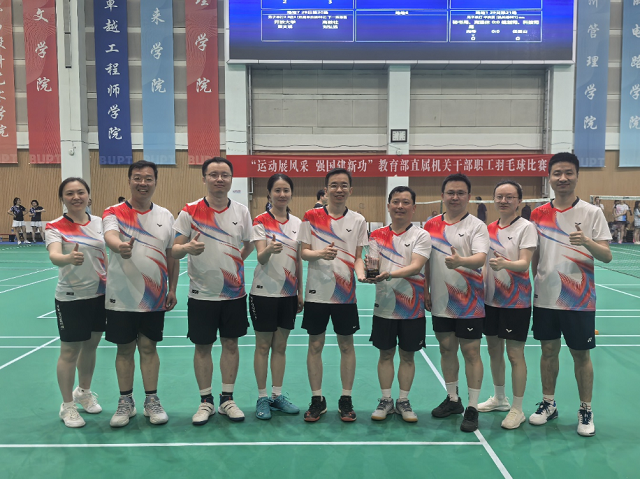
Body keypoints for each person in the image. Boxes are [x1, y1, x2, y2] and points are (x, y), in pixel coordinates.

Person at [528, 152, 612, 437]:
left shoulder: (592, 213)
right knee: (548, 351)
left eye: (568, 173)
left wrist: (586, 241)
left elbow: (607, 256)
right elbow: (536, 257)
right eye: (557, 173)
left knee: (580, 355)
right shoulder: (538, 214)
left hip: (579, 298)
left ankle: (585, 409)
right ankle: (548, 403)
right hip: (545, 297)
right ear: (549, 177)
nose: (562, 178)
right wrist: (537, 283)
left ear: (577, 176)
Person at [172, 157, 253, 425]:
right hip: (201, 294)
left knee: (231, 344)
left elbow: (249, 244)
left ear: (231, 179)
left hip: (233, 294)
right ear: (204, 178)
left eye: (224, 175)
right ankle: (205, 401)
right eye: (214, 174)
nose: (219, 179)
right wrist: (187, 248)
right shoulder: (190, 211)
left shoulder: (241, 211)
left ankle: (227, 399)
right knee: (202, 346)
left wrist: (235, 262)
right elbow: (174, 250)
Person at [103, 160, 179, 428]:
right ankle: (126, 401)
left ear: (155, 182)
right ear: (129, 181)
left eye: (148, 178)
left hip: (154, 296)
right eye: (137, 178)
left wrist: (172, 288)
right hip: (121, 295)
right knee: (124, 349)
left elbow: (171, 256)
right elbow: (110, 236)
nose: (143, 183)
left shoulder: (166, 216)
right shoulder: (113, 212)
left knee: (149, 347)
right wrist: (120, 246)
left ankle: (151, 400)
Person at [299, 168, 368, 422]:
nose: (339, 190)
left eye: (344, 185)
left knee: (346, 345)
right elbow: (304, 252)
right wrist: (320, 254)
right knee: (315, 345)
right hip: (317, 293)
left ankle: (345, 398)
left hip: (345, 295)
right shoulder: (311, 216)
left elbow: (358, 257)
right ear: (326, 190)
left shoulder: (358, 220)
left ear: (351, 190)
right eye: (334, 185)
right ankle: (317, 399)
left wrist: (361, 274)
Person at [424, 173, 490, 433]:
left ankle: (472, 406)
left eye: (460, 193)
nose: (455, 197)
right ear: (442, 196)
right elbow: (426, 260)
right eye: (450, 192)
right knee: (446, 349)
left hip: (470, 301)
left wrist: (461, 261)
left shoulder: (477, 226)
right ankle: (453, 399)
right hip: (441, 299)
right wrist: (426, 289)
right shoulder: (430, 225)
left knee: (471, 353)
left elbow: (481, 258)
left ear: (468, 197)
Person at [46, 178, 107, 428]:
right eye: (69, 193)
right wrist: (68, 258)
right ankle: (67, 405)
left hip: (99, 294)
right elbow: (54, 256)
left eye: (80, 192)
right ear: (62, 198)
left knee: (91, 346)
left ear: (88, 196)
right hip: (71, 297)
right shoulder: (55, 226)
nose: (76, 197)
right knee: (70, 351)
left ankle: (83, 392)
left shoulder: (100, 223)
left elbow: (106, 253)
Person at [367, 186, 431, 422]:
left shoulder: (421, 236)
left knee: (407, 356)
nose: (400, 206)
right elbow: (372, 263)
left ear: (413, 207)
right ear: (388, 206)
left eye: (405, 202)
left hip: (412, 307)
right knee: (385, 354)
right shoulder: (376, 235)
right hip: (384, 305)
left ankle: (403, 400)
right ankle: (386, 400)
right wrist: (369, 274)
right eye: (395, 202)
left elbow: (416, 266)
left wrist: (389, 274)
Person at [477, 181, 537, 429]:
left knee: (514, 354)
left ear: (519, 201)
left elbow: (524, 263)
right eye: (499, 196)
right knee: (494, 350)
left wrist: (505, 264)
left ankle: (517, 409)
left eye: (509, 197)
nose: (504, 201)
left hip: (516, 302)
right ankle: (499, 398)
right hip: (490, 300)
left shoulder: (526, 227)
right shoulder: (488, 229)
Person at [249, 173, 303, 420]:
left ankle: (277, 396)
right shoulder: (260, 221)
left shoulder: (299, 224)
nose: (282, 194)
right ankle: (262, 397)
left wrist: (300, 291)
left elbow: (298, 261)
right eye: (277, 190)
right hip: (263, 293)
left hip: (288, 294)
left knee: (280, 347)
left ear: (291, 193)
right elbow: (260, 257)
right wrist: (269, 249)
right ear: (269, 194)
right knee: (263, 346)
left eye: (286, 190)